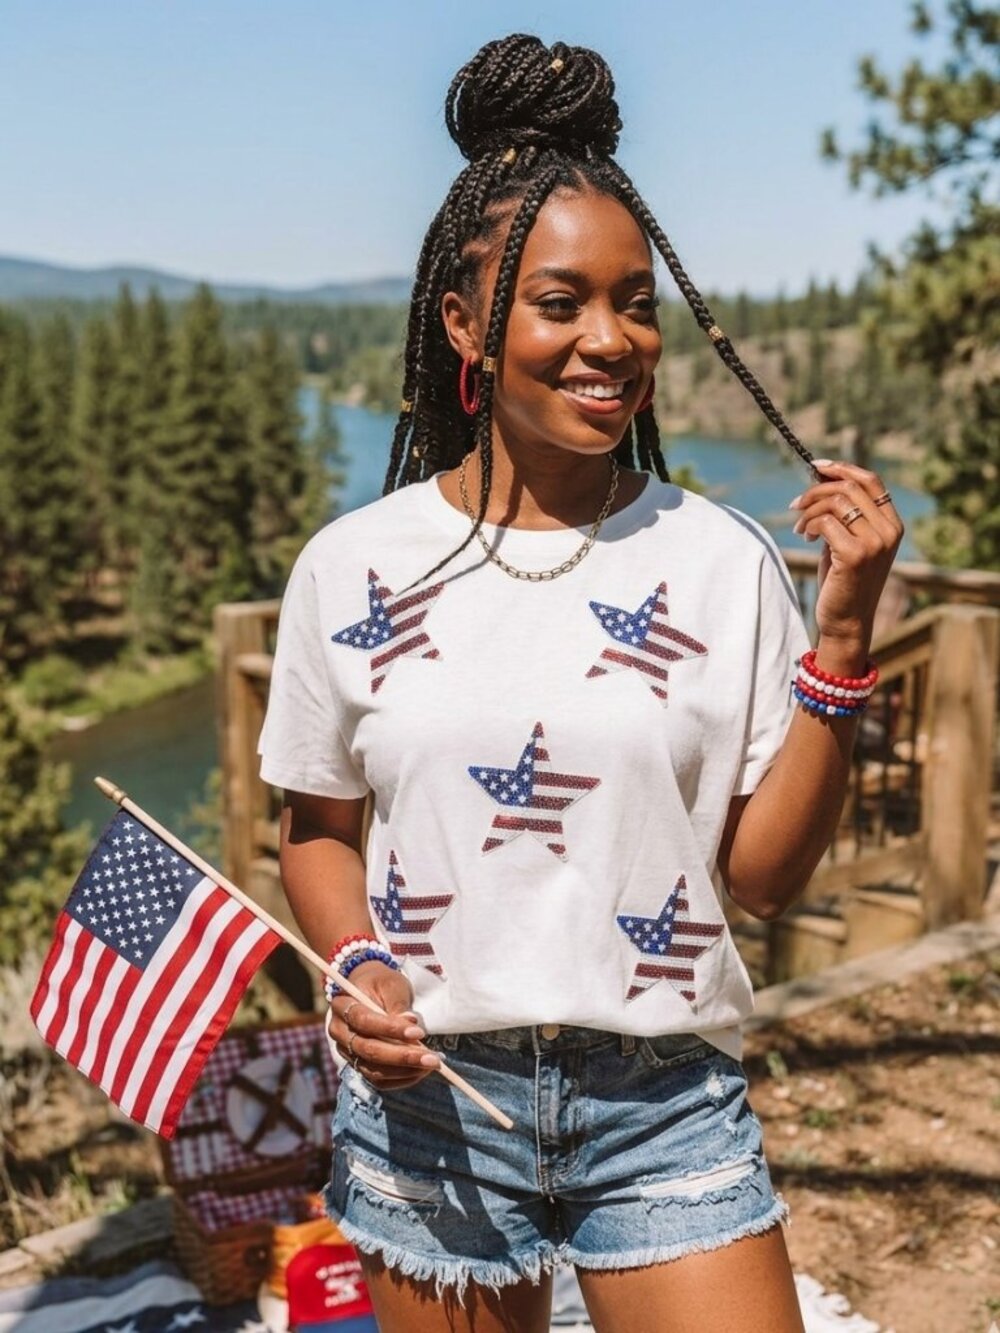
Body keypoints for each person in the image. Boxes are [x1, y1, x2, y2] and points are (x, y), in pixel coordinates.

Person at [256, 33, 903, 1333]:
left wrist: (839, 642)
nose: (610, 338)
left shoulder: (722, 561)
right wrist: (359, 963)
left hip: (665, 1105)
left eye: (637, 302)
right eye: (561, 301)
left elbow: (764, 877)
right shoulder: (354, 568)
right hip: (436, 1104)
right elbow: (315, 831)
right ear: (465, 324)